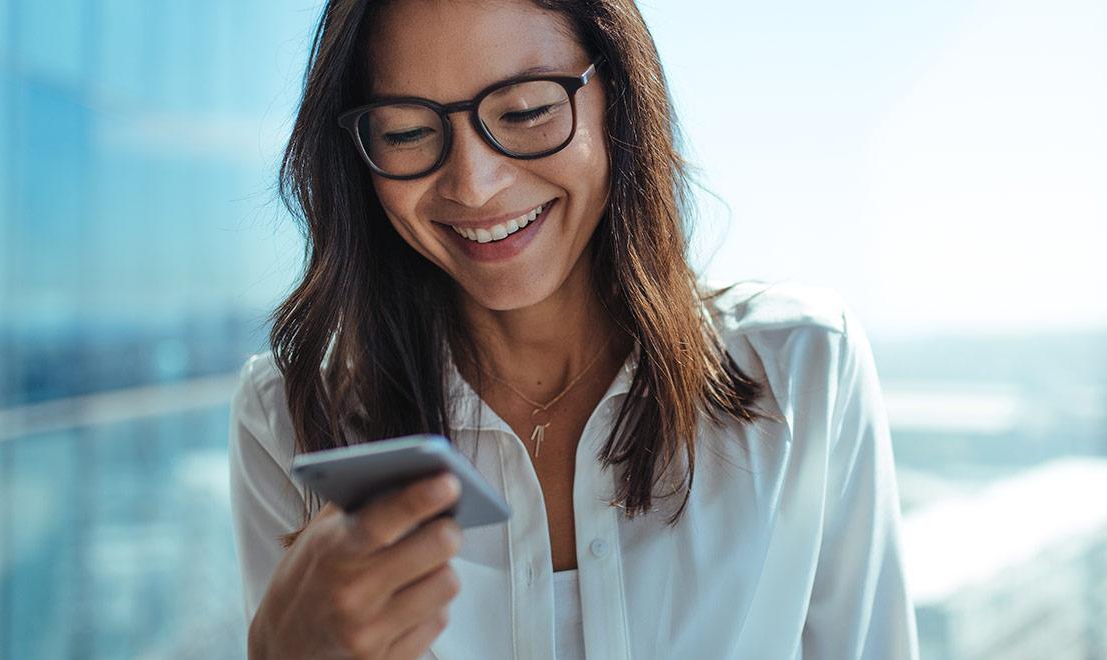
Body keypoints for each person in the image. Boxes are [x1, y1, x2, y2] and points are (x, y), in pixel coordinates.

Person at [228, 0, 920, 658]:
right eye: (407, 132)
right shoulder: (287, 421)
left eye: (526, 111)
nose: (473, 185)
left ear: (617, 95)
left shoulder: (803, 369)